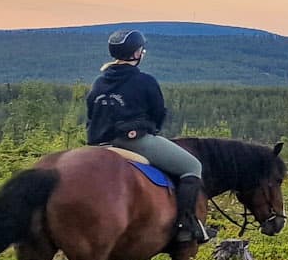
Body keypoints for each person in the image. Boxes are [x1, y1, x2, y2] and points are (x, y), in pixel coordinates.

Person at [85, 29, 211, 244]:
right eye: (141, 49)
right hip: (132, 142)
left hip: (99, 144)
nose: (142, 52)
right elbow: (158, 114)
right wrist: (143, 127)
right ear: (136, 53)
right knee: (192, 167)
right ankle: (184, 224)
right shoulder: (145, 81)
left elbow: (91, 116)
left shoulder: (99, 82)